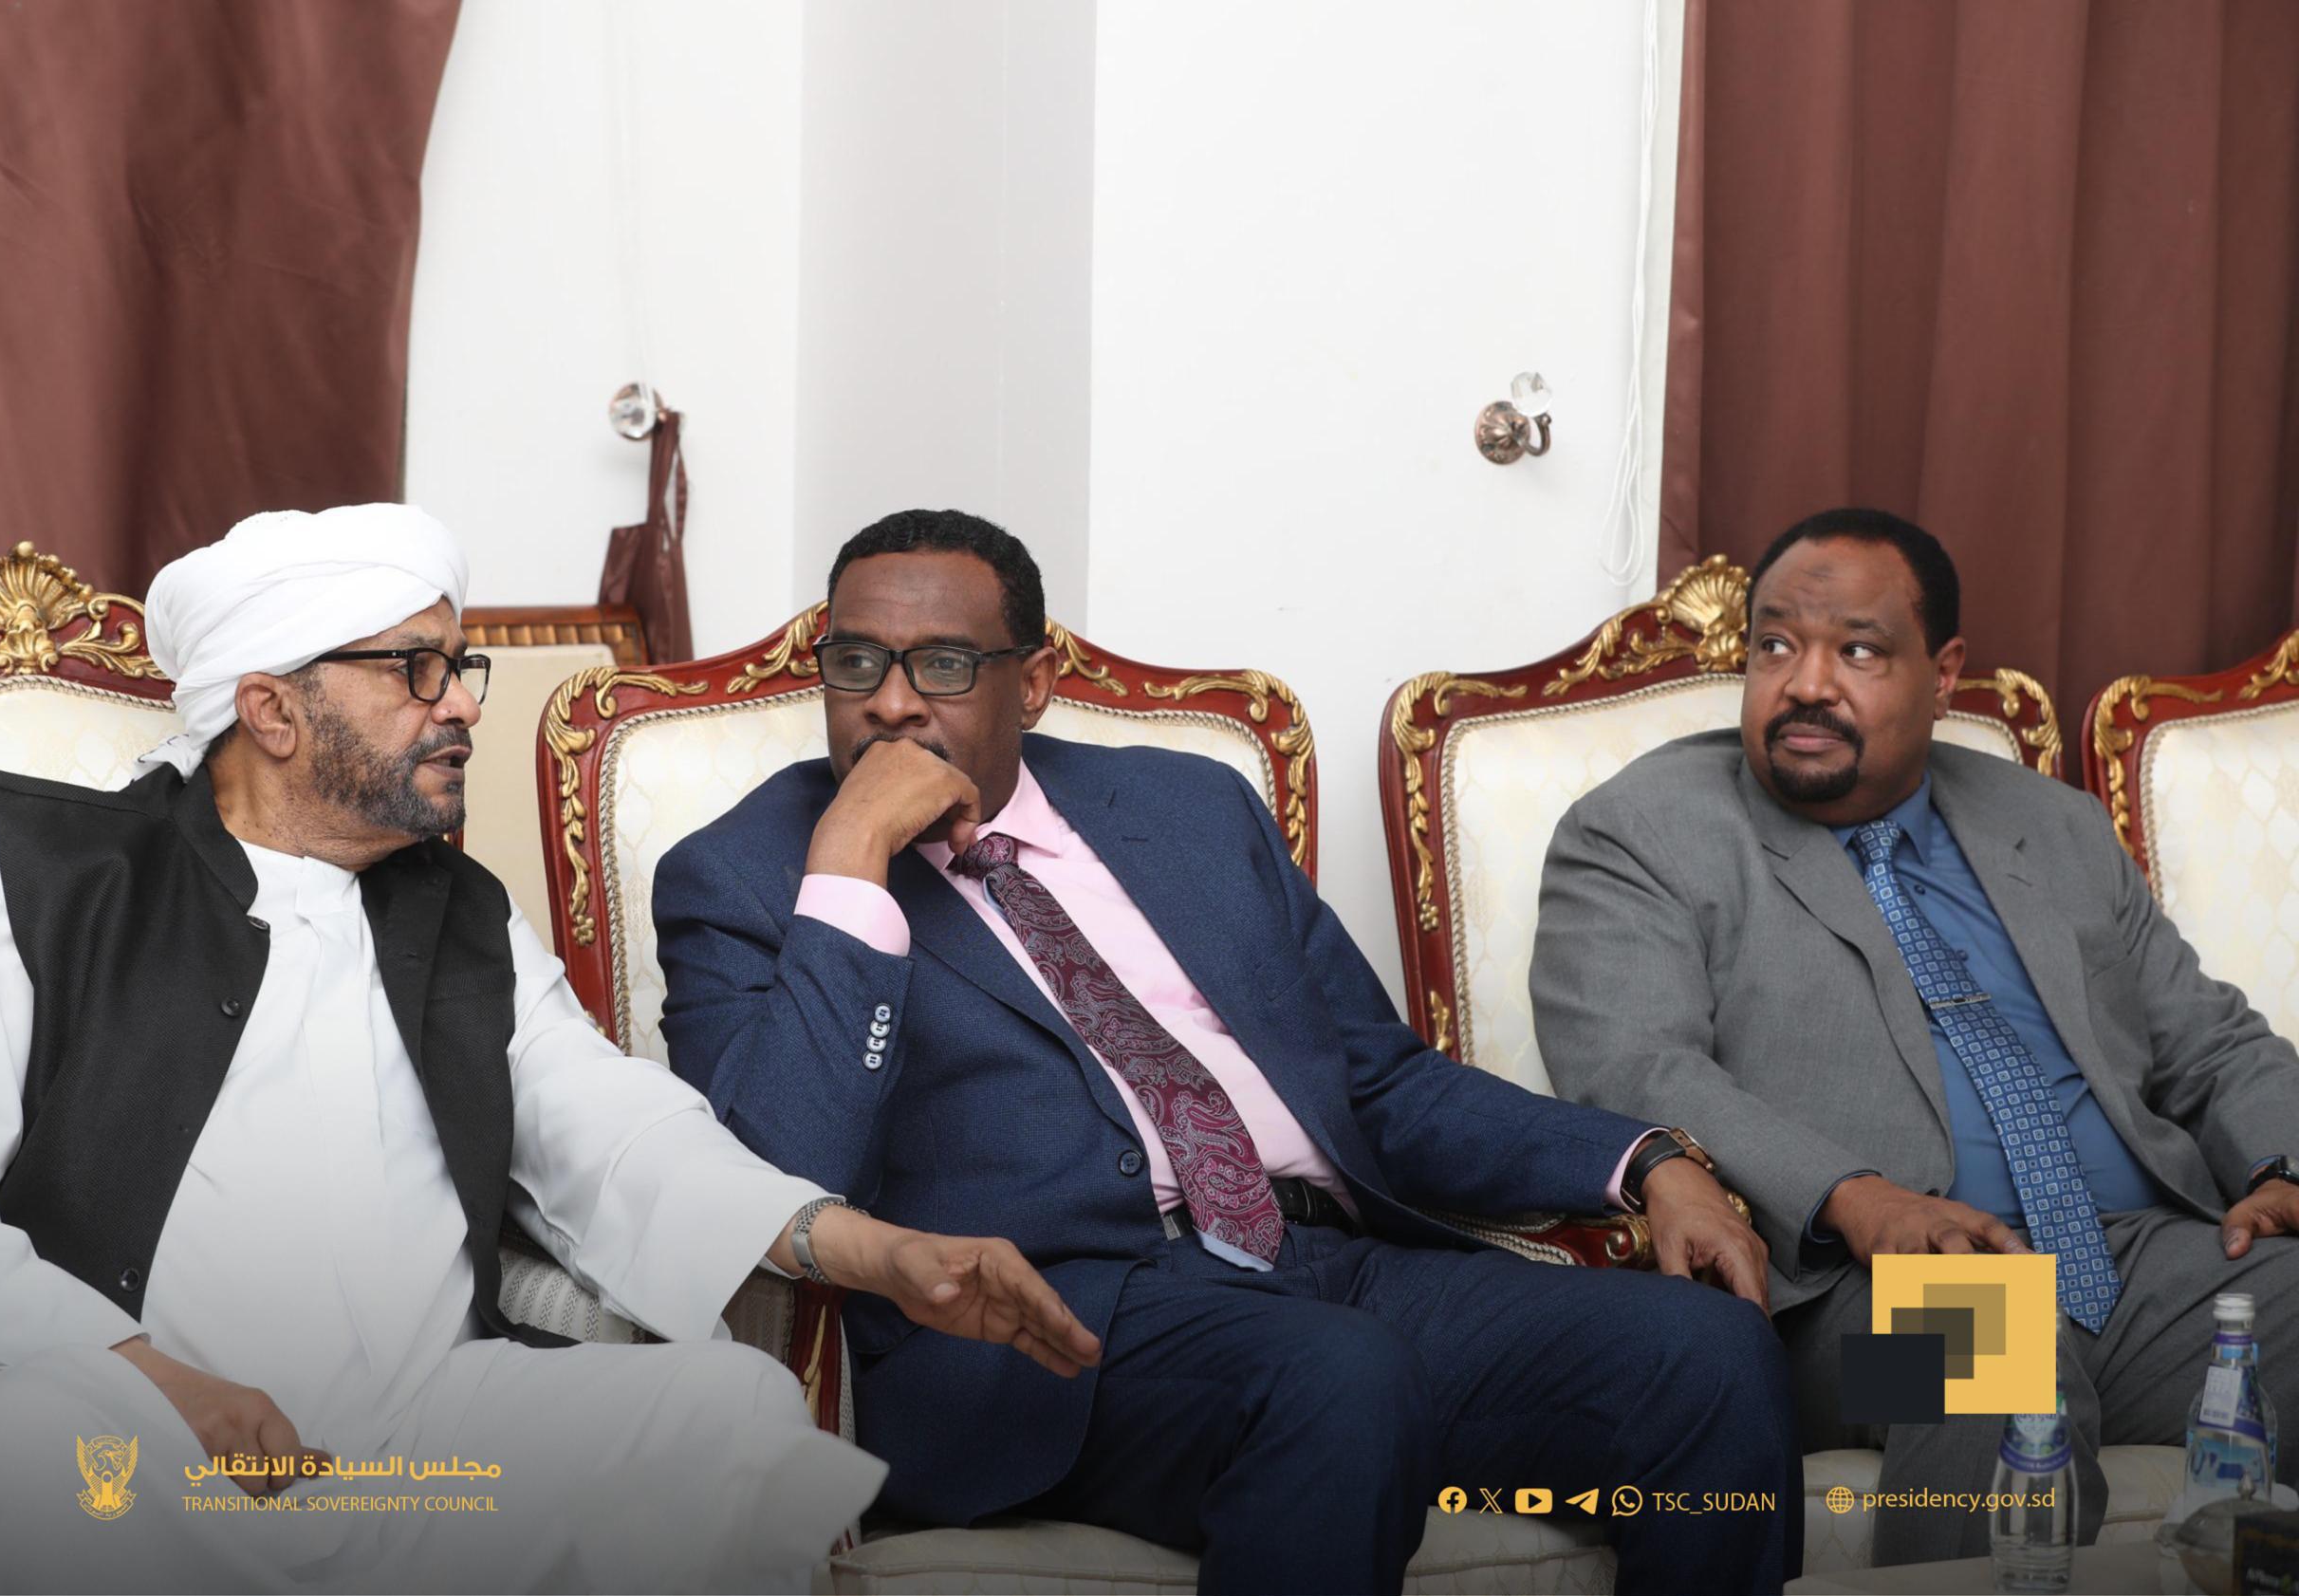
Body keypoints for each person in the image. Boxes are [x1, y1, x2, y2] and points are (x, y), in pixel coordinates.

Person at [0, 504, 1100, 1595]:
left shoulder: (458, 911)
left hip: (427, 1455)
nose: (461, 703)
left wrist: (875, 1249)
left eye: (459, 668)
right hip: (142, 1433)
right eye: (417, 669)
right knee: (24, 1460)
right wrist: (151, 1378)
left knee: (733, 1410)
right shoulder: (41, 875)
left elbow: (613, 1135)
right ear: (272, 709)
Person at [653, 508, 1802, 1596]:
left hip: (1326, 1264)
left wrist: (1645, 1159)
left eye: (943, 665)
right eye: (856, 663)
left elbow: (1378, 1079)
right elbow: (775, 1175)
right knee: (1334, 1374)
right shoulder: (744, 874)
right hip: (1054, 1330)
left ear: (1033, 681)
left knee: (1707, 1353)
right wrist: (850, 860)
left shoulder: (1189, 807)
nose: (892, 703)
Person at [1532, 507, 2299, 1565]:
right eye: (1774, 644)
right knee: (1995, 1349)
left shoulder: (2053, 825)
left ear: (1942, 677)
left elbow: (2210, 1039)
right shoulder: (1642, 831)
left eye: (1857, 650)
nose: (1805, 683)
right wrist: (1859, 1197)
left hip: (2132, 1267)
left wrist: (2279, 1163)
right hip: (1852, 1298)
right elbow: (1635, 1065)